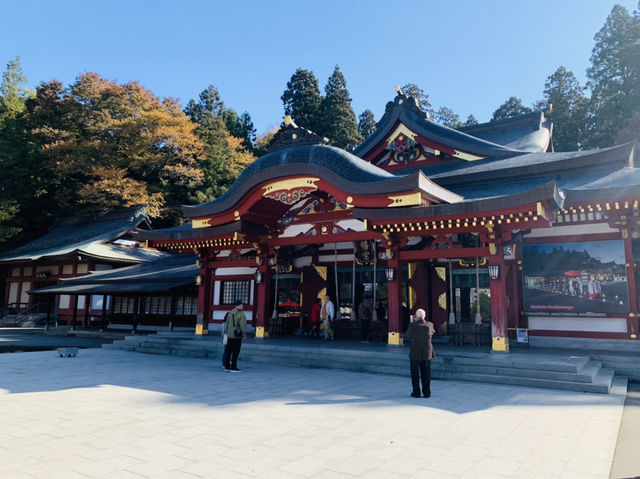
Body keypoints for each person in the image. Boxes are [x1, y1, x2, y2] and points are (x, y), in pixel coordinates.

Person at [406, 308, 435, 398]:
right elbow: (433, 332)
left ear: (417, 316)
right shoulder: (430, 325)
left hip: (415, 353)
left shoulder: (413, 325)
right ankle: (427, 393)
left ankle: (416, 392)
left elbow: (408, 335)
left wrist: (412, 322)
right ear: (424, 316)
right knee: (426, 374)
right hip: (427, 353)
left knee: (415, 374)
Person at [224, 300, 247, 372]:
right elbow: (243, 325)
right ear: (239, 305)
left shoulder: (230, 313)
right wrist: (244, 334)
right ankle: (233, 367)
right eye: (242, 305)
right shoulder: (241, 314)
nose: (242, 306)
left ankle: (227, 366)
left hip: (229, 335)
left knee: (228, 351)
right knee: (236, 352)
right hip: (236, 336)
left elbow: (226, 324)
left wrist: (226, 333)